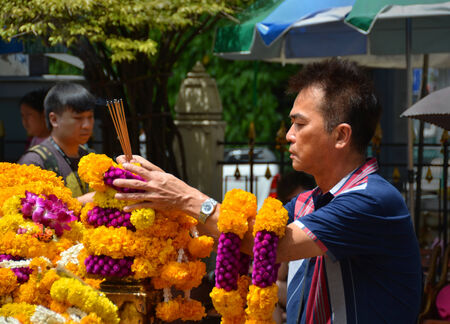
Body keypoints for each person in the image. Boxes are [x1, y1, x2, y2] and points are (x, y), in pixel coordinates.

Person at [111, 58, 422, 323]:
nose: (288, 135)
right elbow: (246, 235)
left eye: (300, 125)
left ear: (341, 136)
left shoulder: (371, 199)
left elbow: (275, 246)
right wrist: (167, 193)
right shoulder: (306, 203)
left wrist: (185, 197)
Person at [18, 82, 96, 204]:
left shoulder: (91, 157)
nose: (87, 125)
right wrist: (81, 202)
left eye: (90, 117)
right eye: (78, 118)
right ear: (54, 119)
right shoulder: (34, 162)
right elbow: (29, 214)